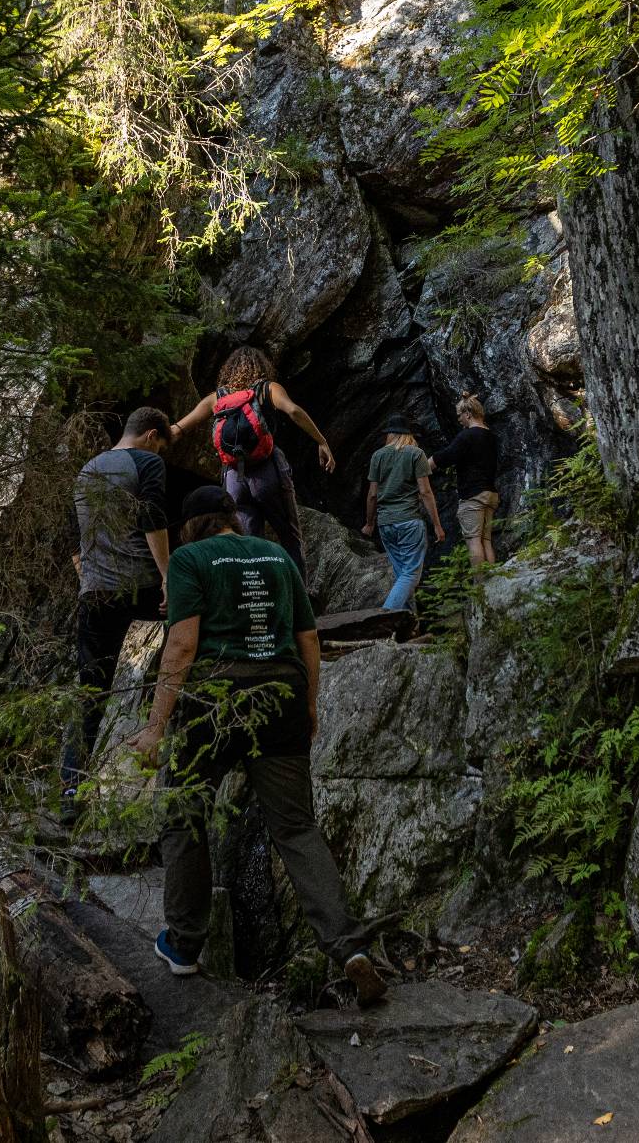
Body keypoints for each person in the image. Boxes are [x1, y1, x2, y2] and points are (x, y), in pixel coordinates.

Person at [127, 486, 386, 1004]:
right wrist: (309, 706)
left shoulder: (188, 560)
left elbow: (182, 642)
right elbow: (308, 639)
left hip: (215, 698)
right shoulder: (277, 556)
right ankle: (348, 945)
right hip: (282, 693)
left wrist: (156, 726)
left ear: (191, 525)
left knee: (185, 814)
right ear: (229, 518)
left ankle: (184, 945)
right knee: (295, 827)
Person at [62, 406, 173, 816]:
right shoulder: (146, 462)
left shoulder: (86, 470)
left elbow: (73, 536)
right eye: (160, 445)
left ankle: (69, 797)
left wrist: (87, 577)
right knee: (186, 652)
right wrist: (167, 577)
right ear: (150, 435)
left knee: (90, 693)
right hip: (142, 587)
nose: (160, 453)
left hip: (95, 593)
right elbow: (152, 515)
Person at [169, 346, 335, 576]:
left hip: (234, 477)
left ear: (228, 370)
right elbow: (294, 411)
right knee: (289, 536)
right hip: (268, 472)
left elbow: (178, 430)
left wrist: (143, 442)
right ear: (261, 366)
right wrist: (322, 441)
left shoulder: (216, 398)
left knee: (247, 541)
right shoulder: (268, 389)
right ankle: (299, 601)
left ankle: (255, 598)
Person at [362, 415, 443, 611]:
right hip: (409, 522)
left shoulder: (377, 456)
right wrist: (437, 525)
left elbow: (372, 494)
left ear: (390, 434)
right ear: (409, 435)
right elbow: (425, 492)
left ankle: (406, 625)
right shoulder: (416, 454)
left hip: (385, 524)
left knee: (402, 575)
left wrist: (369, 523)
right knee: (410, 575)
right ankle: (386, 614)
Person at [429, 393, 500, 567]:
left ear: (468, 414)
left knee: (473, 541)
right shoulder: (492, 437)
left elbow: (447, 456)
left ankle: (479, 588)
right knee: (486, 540)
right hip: (490, 495)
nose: (459, 419)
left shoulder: (467, 435)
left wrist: (425, 463)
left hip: (473, 496)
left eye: (459, 415)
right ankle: (493, 582)